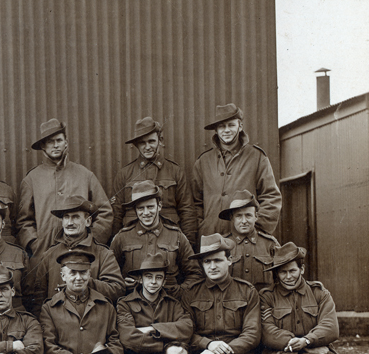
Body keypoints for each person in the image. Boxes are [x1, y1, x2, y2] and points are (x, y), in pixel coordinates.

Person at [39, 250, 124, 354]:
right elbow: (48, 346)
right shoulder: (50, 308)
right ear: (63, 275)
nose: (78, 278)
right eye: (73, 273)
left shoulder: (105, 306)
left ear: (90, 274)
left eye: (83, 272)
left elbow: (115, 341)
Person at [18, 119, 112, 262]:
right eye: (50, 141)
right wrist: (34, 244)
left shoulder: (84, 174)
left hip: (82, 255)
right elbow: (24, 221)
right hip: (43, 255)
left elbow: (105, 212)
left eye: (59, 140)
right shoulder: (31, 179)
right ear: (43, 146)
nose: (55, 145)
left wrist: (90, 241)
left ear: (66, 143)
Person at [191, 104, 281, 242]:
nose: (226, 130)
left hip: (245, 242)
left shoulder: (257, 157)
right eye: (222, 126)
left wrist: (255, 229)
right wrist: (203, 227)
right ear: (216, 130)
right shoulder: (203, 161)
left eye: (231, 125)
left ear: (240, 126)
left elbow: (271, 197)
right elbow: (195, 202)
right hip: (212, 241)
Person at [23, 196, 124, 311]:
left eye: (75, 217)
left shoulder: (103, 254)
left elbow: (117, 289)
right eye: (66, 217)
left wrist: (84, 282)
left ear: (88, 221)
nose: (70, 223)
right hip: (56, 323)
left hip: (92, 321)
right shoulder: (49, 255)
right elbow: (38, 297)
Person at [116, 254, 194, 354]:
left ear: (164, 281)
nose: (153, 282)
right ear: (140, 279)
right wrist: (168, 342)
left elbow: (187, 328)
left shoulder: (173, 304)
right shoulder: (125, 304)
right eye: (148, 276)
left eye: (158, 277)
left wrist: (152, 329)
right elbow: (128, 338)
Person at [110, 181, 199, 299]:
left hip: (169, 306)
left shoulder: (176, 236)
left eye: (150, 207)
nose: (146, 213)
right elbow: (110, 277)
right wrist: (122, 286)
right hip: (133, 305)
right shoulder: (122, 237)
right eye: (141, 208)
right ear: (135, 210)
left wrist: (179, 292)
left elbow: (195, 274)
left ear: (159, 206)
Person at [110, 117, 195, 241]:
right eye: (142, 143)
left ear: (160, 141)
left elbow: (187, 210)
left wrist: (188, 244)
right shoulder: (124, 174)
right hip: (134, 241)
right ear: (136, 145)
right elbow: (117, 214)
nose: (147, 146)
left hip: (169, 241)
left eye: (151, 141)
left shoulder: (175, 171)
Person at [219, 190, 279, 291]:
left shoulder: (270, 244)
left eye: (248, 215)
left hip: (263, 304)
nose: (244, 221)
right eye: (239, 216)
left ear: (256, 217)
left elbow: (281, 278)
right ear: (232, 218)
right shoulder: (223, 244)